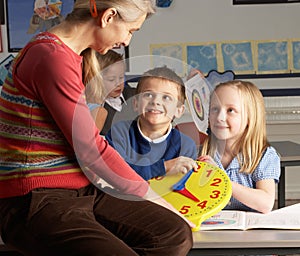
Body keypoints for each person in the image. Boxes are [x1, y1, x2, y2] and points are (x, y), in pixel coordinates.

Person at [0, 1, 194, 255]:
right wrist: (154, 197)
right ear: (108, 16)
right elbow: (90, 149)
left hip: (81, 189)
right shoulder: (50, 56)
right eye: (131, 31)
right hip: (36, 198)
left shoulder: (70, 56)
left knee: (173, 233)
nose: (126, 41)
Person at [198, 80, 281, 213]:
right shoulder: (201, 152)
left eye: (230, 110)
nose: (219, 117)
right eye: (215, 109)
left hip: (251, 230)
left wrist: (221, 179)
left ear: (250, 118)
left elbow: (265, 204)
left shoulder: (263, 156)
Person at [106, 66, 198, 181]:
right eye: (148, 95)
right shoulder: (119, 133)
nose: (155, 101)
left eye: (166, 97)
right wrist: (163, 167)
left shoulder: (186, 145)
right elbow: (116, 174)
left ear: (178, 110)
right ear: (135, 103)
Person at [86, 50, 136, 135]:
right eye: (111, 79)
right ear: (97, 80)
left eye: (121, 77)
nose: (118, 83)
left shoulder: (135, 95)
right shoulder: (94, 106)